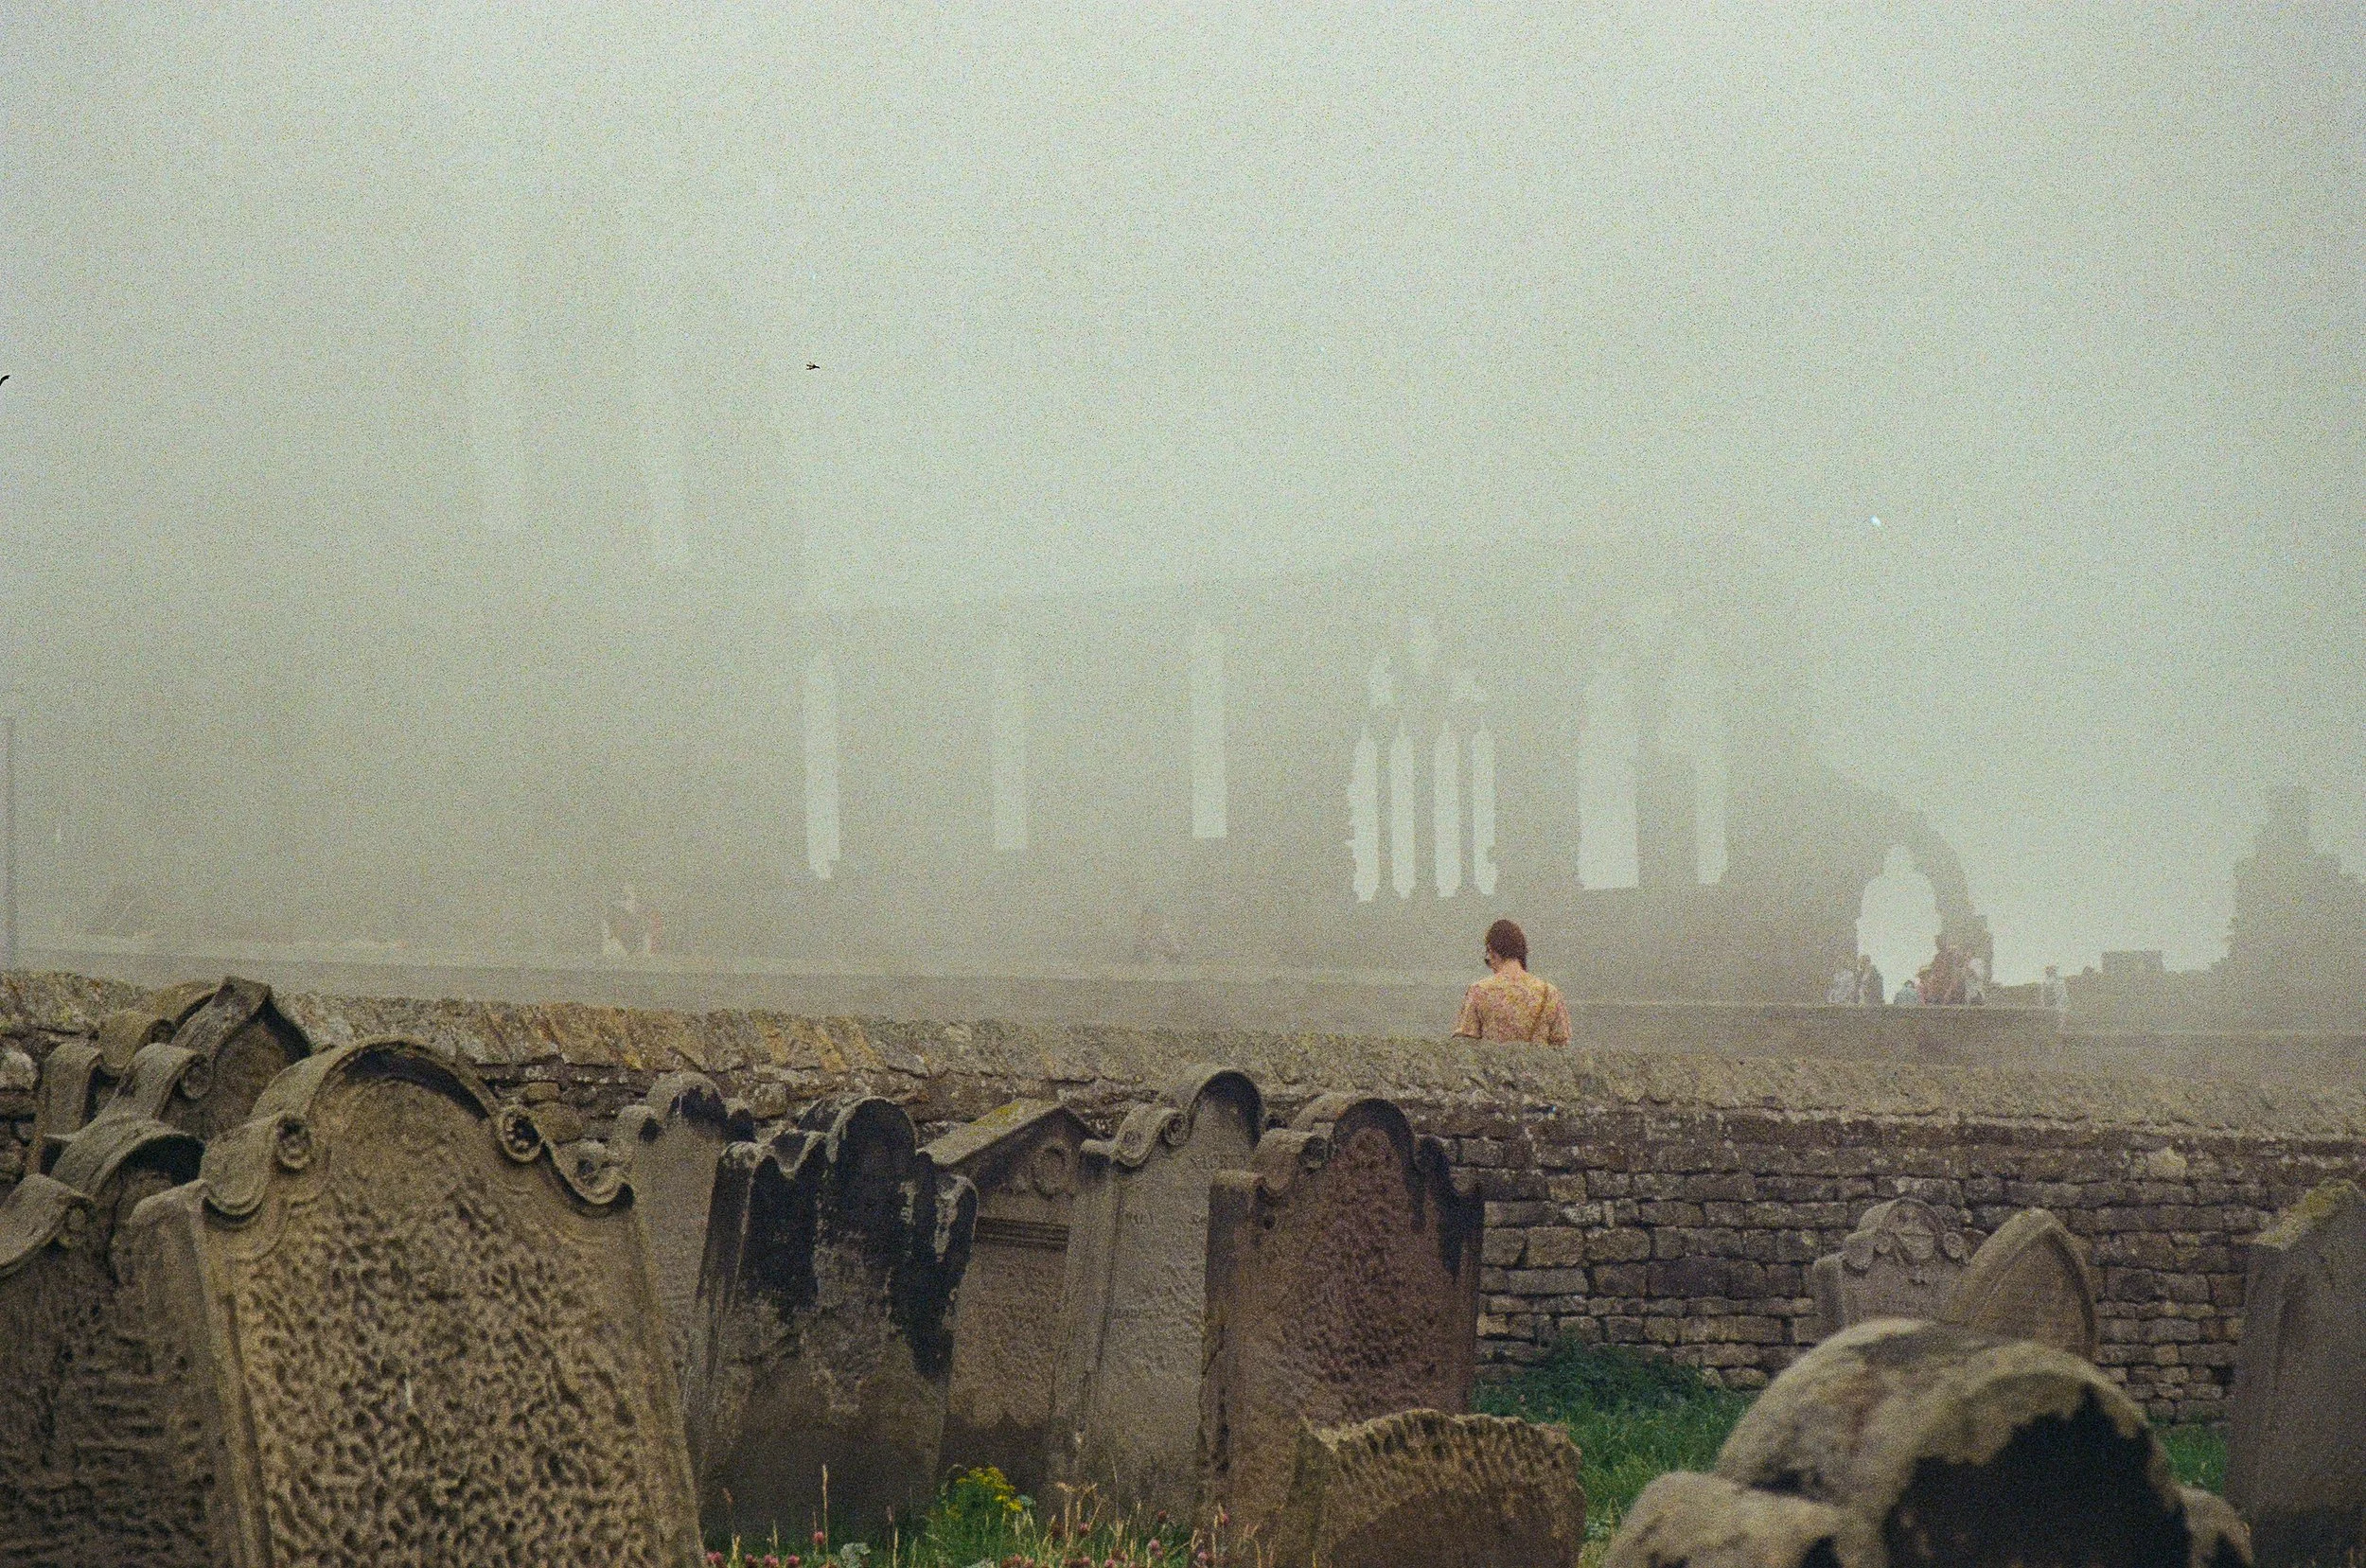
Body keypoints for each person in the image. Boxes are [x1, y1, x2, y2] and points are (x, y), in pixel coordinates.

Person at [1453, 918, 1572, 1045]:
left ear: (1491, 950)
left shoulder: (1479, 991)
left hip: (1492, 1063)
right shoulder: (1550, 993)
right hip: (1537, 1064)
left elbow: (1464, 1044)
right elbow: (1562, 1043)